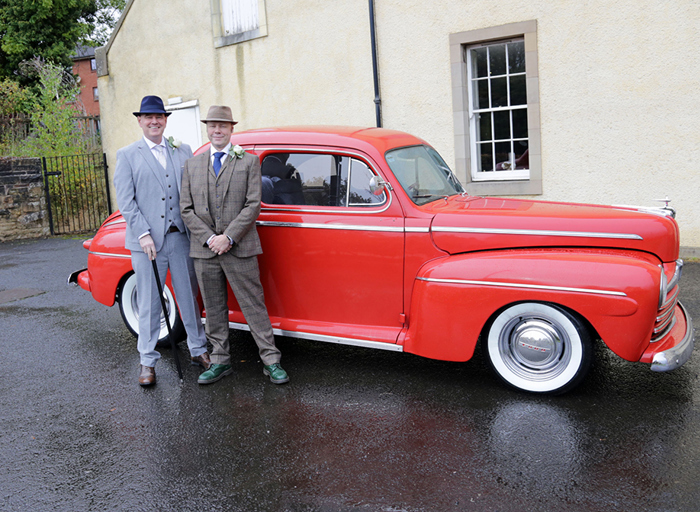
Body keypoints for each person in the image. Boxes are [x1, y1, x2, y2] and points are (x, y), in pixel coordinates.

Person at [180, 105, 288, 386]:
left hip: (239, 247)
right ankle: (219, 361)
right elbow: (186, 208)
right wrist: (209, 239)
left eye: (223, 126)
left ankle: (271, 360)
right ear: (207, 129)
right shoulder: (192, 165)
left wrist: (228, 237)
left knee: (254, 305)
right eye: (213, 125)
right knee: (214, 308)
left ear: (231, 129)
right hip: (205, 250)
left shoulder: (249, 162)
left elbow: (253, 205)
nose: (217, 130)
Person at [113, 95, 210, 386]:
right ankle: (147, 361)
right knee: (150, 302)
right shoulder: (128, 155)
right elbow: (126, 201)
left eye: (159, 117)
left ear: (165, 120)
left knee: (188, 298)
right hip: (147, 244)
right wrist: (142, 234)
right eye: (148, 118)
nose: (154, 122)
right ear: (140, 121)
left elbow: (193, 194)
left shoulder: (183, 152)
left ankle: (198, 349)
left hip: (180, 238)